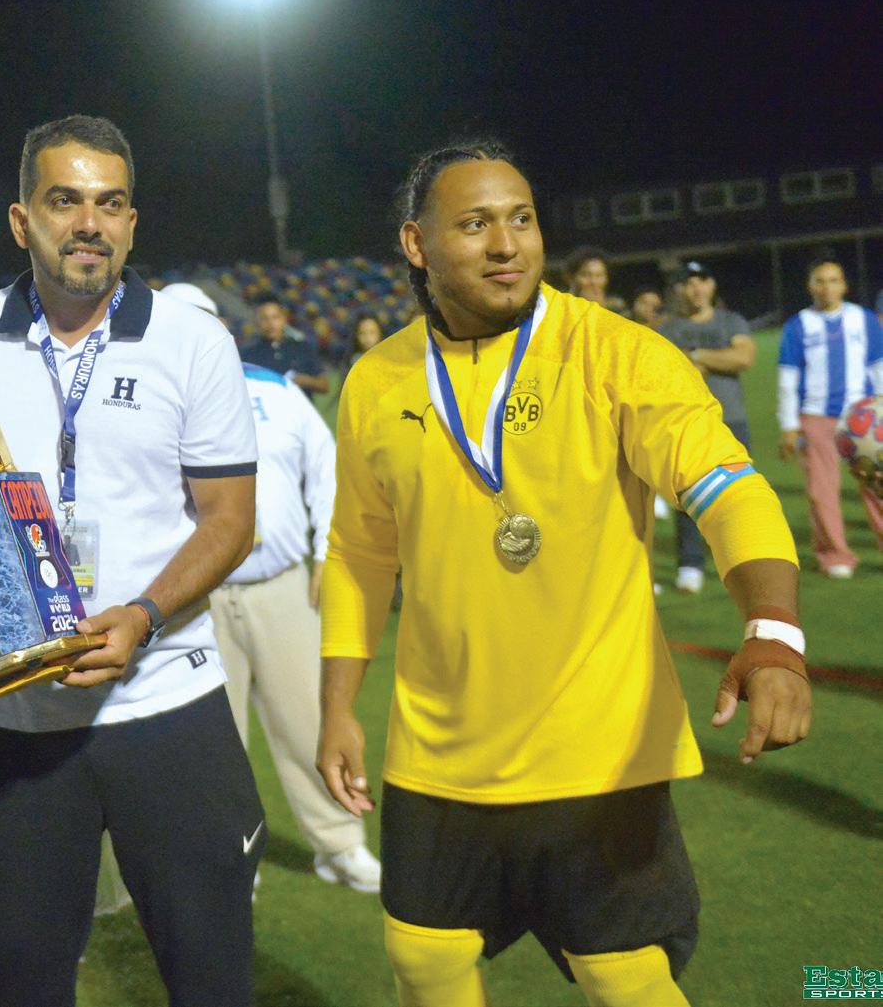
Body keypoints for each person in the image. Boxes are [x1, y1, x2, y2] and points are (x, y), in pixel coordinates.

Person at [317, 140, 811, 1007]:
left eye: (522, 218)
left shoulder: (617, 353)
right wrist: (336, 705)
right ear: (418, 244)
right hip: (438, 750)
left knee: (623, 973)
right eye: (476, 224)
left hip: (597, 747)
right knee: (423, 954)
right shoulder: (375, 380)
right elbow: (358, 553)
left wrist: (772, 633)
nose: (507, 243)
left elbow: (728, 489)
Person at [0, 115, 262, 1006]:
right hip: (13, 719)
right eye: (65, 201)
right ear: (22, 222)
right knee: (22, 982)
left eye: (110, 203)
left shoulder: (192, 341)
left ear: (130, 222)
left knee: (212, 978)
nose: (89, 223)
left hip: (166, 701)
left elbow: (229, 520)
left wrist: (144, 615)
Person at [165, 282, 382, 895]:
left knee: (310, 717)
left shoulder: (275, 389)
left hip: (281, 584)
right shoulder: (150, 399)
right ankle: (230, 855)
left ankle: (340, 844)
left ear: (222, 331)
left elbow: (327, 469)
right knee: (211, 739)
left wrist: (327, 552)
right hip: (196, 598)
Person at [777, 259, 883, 578]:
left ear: (844, 285)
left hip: (862, 417)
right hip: (816, 416)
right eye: (820, 281)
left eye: (834, 280)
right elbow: (788, 377)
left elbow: (878, 366)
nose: (827, 287)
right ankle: (835, 555)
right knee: (821, 490)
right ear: (810, 286)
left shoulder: (863, 319)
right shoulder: (798, 325)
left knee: (877, 484)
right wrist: (788, 426)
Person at [659, 260, 755, 593]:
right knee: (686, 497)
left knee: (738, 496)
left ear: (712, 286)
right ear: (679, 290)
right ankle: (691, 564)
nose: (696, 288)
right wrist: (719, 357)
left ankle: (741, 560)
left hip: (731, 421)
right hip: (686, 423)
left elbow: (743, 358)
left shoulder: (731, 321)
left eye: (701, 281)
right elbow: (667, 369)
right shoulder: (667, 330)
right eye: (688, 283)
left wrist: (695, 355)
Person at [240, 293, 331, 395]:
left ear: (284, 319)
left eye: (275, 317)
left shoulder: (302, 348)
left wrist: (305, 381)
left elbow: (325, 386)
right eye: (264, 318)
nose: (270, 323)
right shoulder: (247, 354)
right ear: (256, 322)